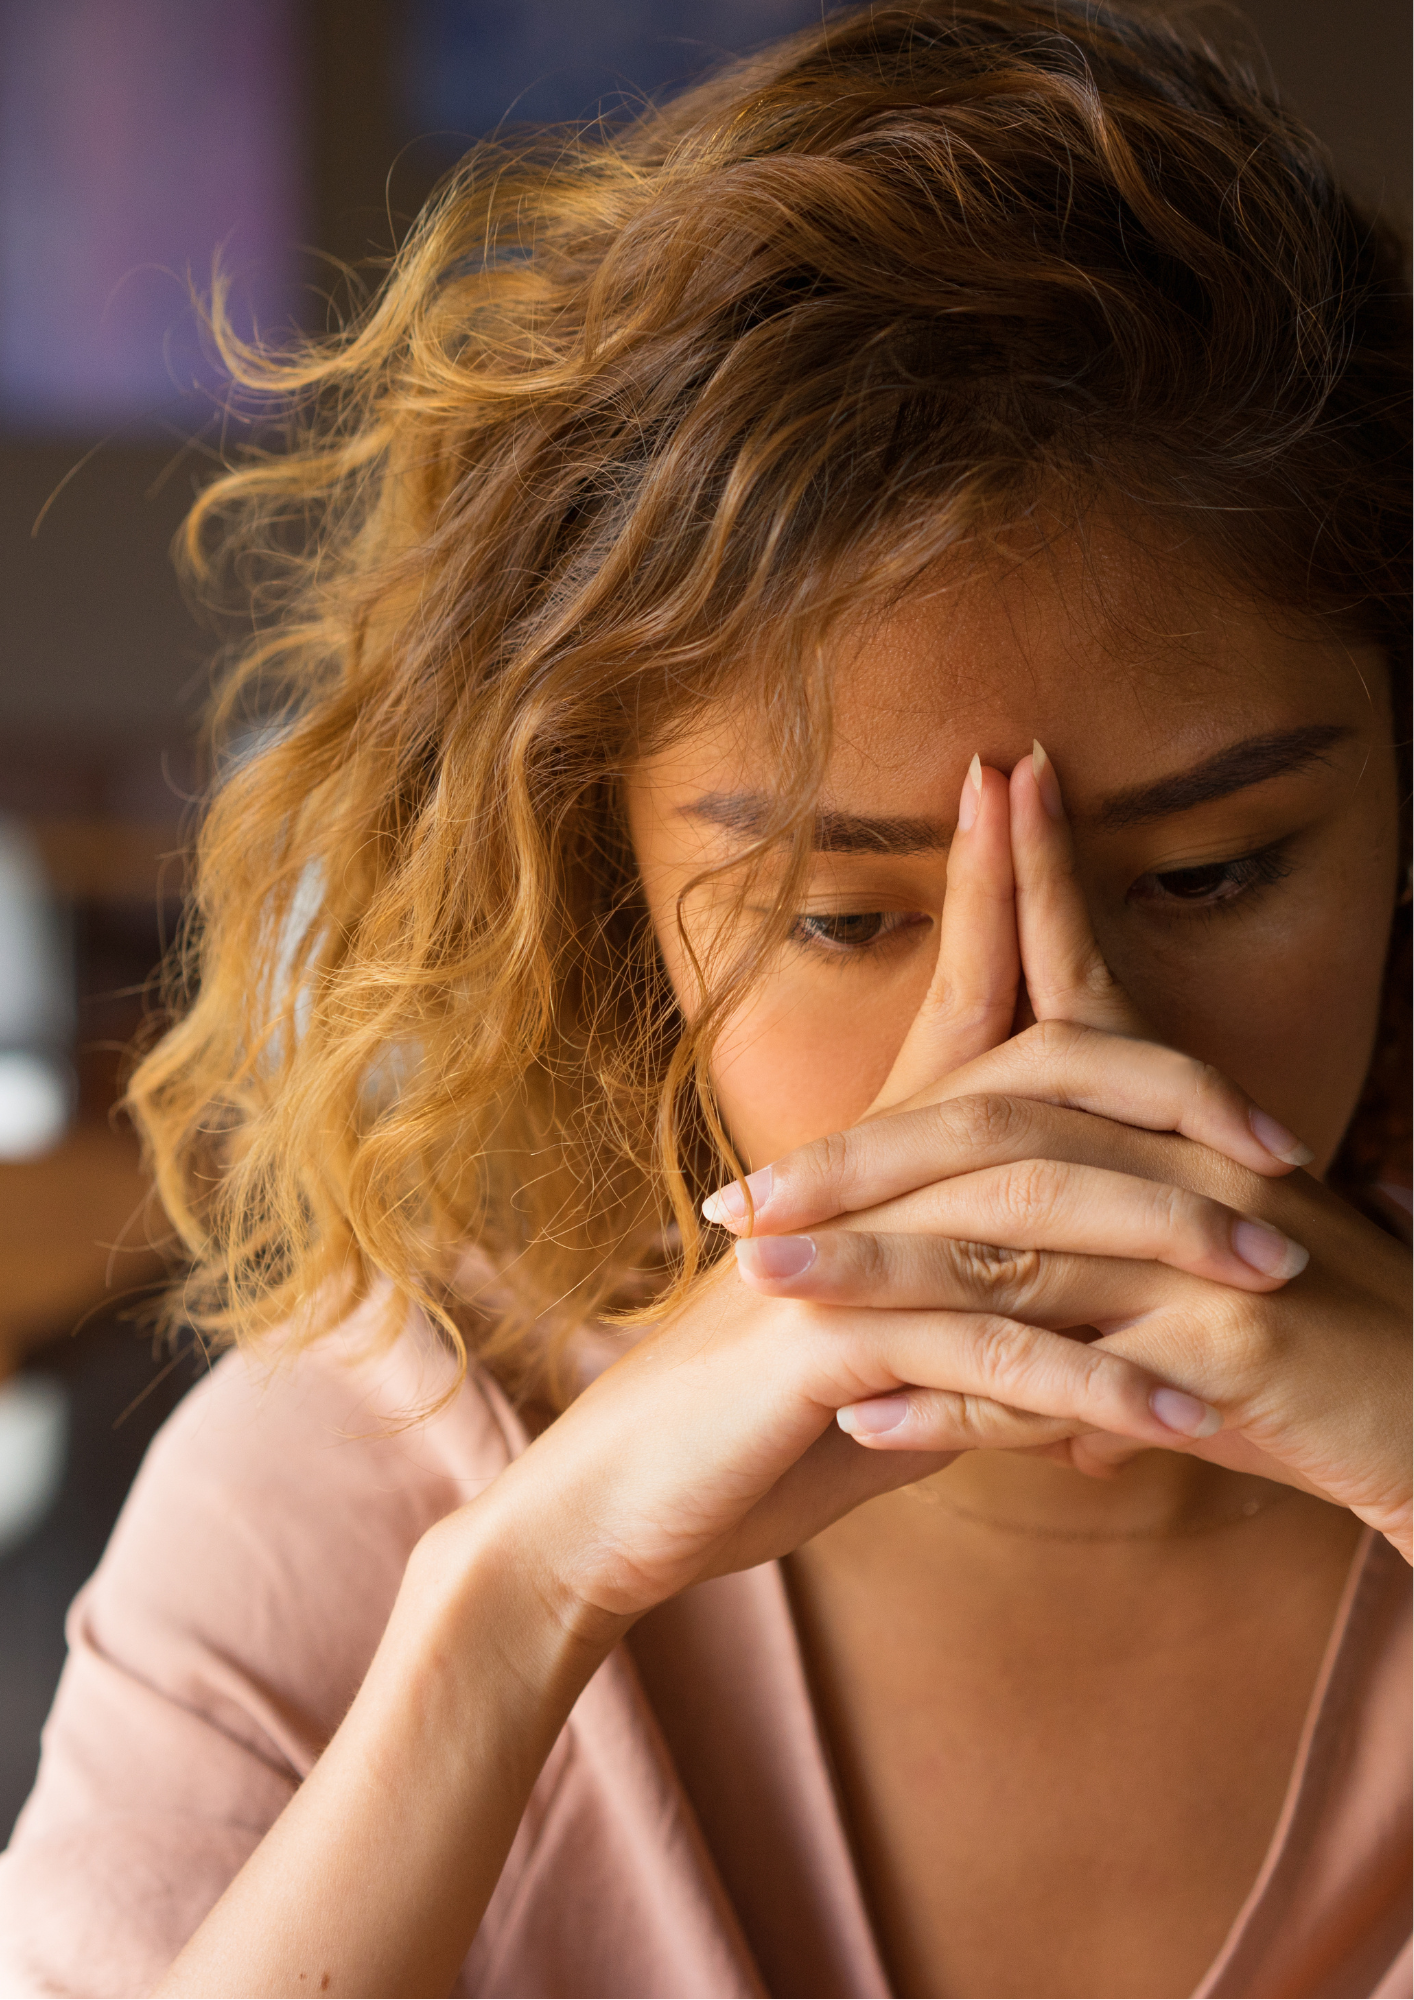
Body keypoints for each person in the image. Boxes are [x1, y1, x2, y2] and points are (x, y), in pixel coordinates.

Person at [1, 3, 1408, 1995]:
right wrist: (509, 1612)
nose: (1034, 1065)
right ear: (614, 905)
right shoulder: (371, 1493)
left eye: (1209, 874)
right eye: (839, 916)